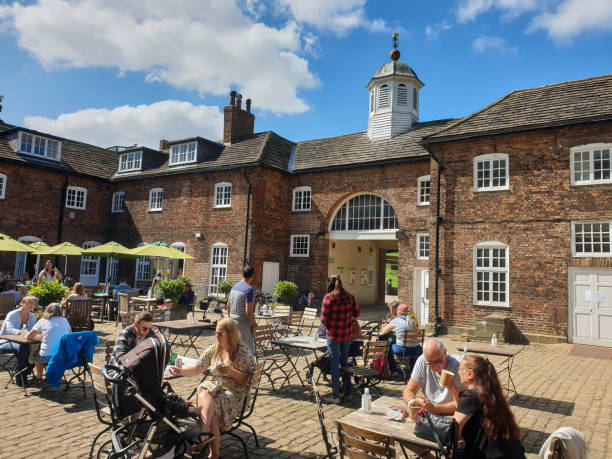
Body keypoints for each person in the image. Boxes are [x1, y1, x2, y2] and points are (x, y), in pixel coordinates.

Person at [169, 318, 255, 459]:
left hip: (236, 393)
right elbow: (198, 368)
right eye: (216, 333)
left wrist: (230, 371)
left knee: (210, 408)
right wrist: (180, 371)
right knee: (202, 388)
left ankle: (213, 452)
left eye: (220, 334)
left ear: (230, 334)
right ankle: (205, 435)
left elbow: (248, 379)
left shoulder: (243, 352)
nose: (216, 337)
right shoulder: (215, 349)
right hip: (218, 386)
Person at [446, 355, 526, 458]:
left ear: (470, 373)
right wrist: (454, 391)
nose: (458, 372)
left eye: (460, 369)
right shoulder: (489, 393)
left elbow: (453, 430)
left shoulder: (470, 397)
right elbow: (464, 412)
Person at [321, 275, 360, 404]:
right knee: (345, 363)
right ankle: (348, 392)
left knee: (334, 365)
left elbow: (323, 320)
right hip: (346, 335)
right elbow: (357, 313)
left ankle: (335, 396)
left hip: (333, 335)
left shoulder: (328, 298)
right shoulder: (350, 297)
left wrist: (330, 326)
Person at [402, 338, 462, 414]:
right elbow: (408, 390)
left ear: (445, 352)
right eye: (430, 363)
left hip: (453, 414)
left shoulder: (458, 365)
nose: (435, 366)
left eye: (438, 361)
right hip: (430, 413)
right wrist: (414, 402)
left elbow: (463, 405)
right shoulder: (422, 361)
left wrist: (433, 409)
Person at [26, 303, 71, 383]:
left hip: (47, 356)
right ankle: (53, 375)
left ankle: (39, 377)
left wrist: (43, 337)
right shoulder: (64, 320)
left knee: (36, 354)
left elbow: (29, 336)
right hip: (63, 356)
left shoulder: (43, 321)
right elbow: (70, 335)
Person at [0, 295, 37, 386]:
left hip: (23, 343)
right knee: (24, 348)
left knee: (37, 348)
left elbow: (34, 331)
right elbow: (9, 330)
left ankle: (24, 371)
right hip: (5, 342)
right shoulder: (12, 314)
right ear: (22, 303)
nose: (32, 304)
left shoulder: (32, 317)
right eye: (30, 302)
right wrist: (23, 333)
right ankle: (21, 377)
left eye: (34, 303)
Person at [380, 303, 421, 375]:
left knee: (388, 348)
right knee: (410, 344)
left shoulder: (396, 320)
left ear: (398, 312)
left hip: (403, 351)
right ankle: (412, 368)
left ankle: (393, 370)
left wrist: (385, 325)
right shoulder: (413, 320)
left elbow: (383, 332)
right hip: (417, 350)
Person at [227, 264, 257, 352]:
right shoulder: (249, 289)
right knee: (246, 350)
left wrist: (230, 318)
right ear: (252, 277)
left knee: (234, 348)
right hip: (243, 322)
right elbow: (248, 312)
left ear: (242, 274)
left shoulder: (234, 287)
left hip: (232, 320)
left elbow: (228, 305)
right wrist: (254, 324)